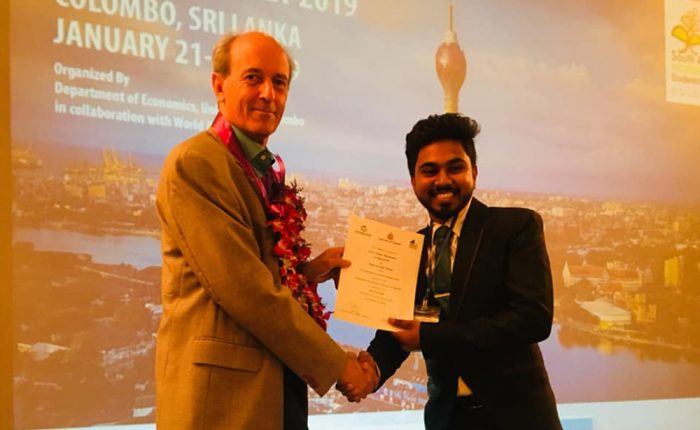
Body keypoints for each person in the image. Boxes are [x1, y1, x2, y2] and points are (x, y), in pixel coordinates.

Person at [155, 31, 374, 430]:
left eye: (279, 82)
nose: (268, 94)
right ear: (219, 85)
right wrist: (338, 364)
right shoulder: (198, 162)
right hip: (222, 404)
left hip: (270, 390)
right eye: (253, 78)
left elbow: (256, 271)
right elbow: (246, 290)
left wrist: (308, 272)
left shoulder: (258, 168)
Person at [359, 113, 562, 430]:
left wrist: (428, 336)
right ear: (413, 181)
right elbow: (398, 329)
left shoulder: (515, 227)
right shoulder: (411, 248)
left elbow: (532, 318)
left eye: (455, 168)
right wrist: (371, 371)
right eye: (429, 171)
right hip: (447, 419)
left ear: (474, 172)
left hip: (517, 418)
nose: (442, 180)